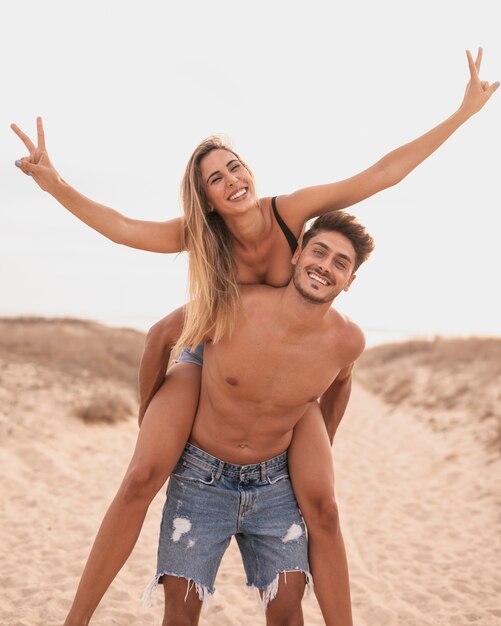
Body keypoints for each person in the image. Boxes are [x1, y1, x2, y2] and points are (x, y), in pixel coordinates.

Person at [11, 49, 497, 625]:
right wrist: (55, 184)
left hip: (292, 367)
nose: (231, 180)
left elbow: (380, 175)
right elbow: (126, 237)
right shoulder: (204, 236)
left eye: (234, 166)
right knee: (142, 477)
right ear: (208, 198)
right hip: (211, 348)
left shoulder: (290, 213)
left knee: (324, 503)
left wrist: (463, 113)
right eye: (215, 179)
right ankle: (75, 619)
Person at [69, 211, 375, 626]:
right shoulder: (235, 306)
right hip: (201, 477)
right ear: (297, 253)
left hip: (273, 484)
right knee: (180, 610)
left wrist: (324, 439)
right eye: (319, 252)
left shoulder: (347, 340)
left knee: (293, 594)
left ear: (351, 280)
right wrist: (150, 412)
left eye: (341, 262)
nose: (326, 266)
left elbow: (342, 379)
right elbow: (160, 336)